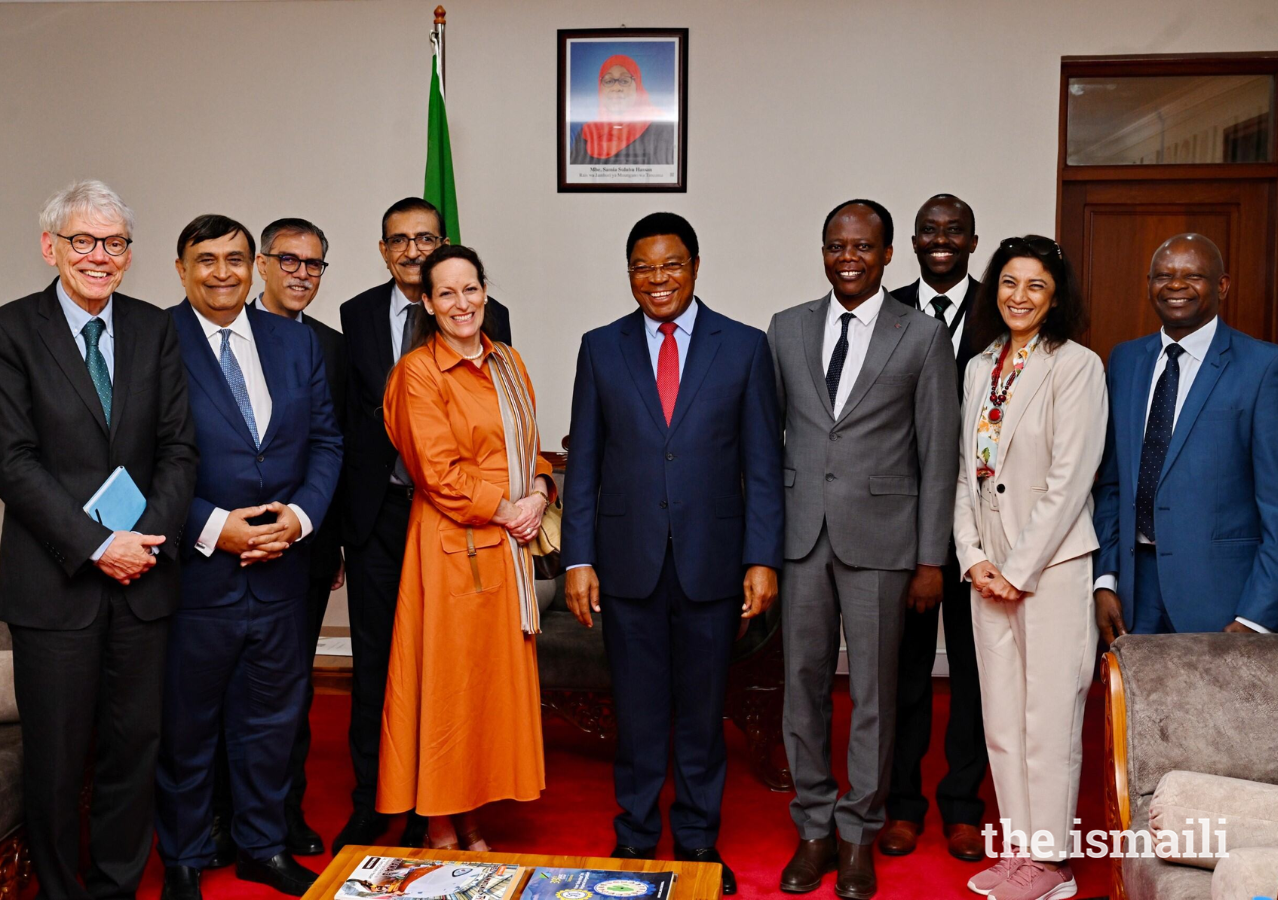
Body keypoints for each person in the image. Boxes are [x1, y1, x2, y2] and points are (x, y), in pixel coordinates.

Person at [562, 212, 782, 896]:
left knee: (699, 712)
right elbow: (587, 461)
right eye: (643, 267)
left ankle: (695, 842)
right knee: (637, 711)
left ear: (694, 266)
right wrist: (577, 559)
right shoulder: (600, 348)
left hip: (712, 563)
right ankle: (633, 839)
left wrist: (762, 558)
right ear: (629, 273)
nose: (657, 279)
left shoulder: (743, 347)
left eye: (670, 265)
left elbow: (763, 464)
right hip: (625, 563)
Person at [0, 180, 199, 900]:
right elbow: (13, 462)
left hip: (143, 579)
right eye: (83, 240)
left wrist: (145, 539)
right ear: (50, 247)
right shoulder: (11, 330)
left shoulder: (155, 328)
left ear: (129, 255)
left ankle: (115, 887)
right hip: (56, 586)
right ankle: (60, 892)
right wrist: (95, 544)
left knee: (132, 751)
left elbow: (180, 449)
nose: (99, 255)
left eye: (113, 243)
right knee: (55, 758)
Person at [768, 200, 958, 899]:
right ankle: (813, 828)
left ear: (886, 255)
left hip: (884, 541)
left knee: (874, 696)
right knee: (803, 689)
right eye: (836, 245)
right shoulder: (787, 328)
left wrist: (930, 557)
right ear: (823, 251)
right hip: (800, 535)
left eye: (863, 246)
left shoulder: (923, 336)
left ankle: (856, 837)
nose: (848, 257)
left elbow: (938, 454)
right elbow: (768, 442)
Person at [155, 215, 342, 900]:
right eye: (207, 260)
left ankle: (263, 847)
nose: (224, 273)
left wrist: (296, 519)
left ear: (255, 264)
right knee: (187, 727)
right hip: (199, 574)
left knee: (272, 723)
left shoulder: (295, 344)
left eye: (235, 258)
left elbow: (326, 442)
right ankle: (182, 856)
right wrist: (211, 527)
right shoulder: (155, 342)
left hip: (282, 572)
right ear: (181, 270)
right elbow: (142, 460)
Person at [336, 198, 512, 851]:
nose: (412, 250)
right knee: (379, 665)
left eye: (426, 238)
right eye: (399, 241)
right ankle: (372, 801)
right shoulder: (354, 316)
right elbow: (343, 426)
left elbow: (505, 430)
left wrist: (530, 490)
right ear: (383, 250)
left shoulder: (493, 328)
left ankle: (434, 803)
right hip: (381, 514)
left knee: (450, 668)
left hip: (458, 526)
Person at [377, 244, 554, 851]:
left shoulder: (508, 360)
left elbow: (531, 447)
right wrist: (513, 509)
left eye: (470, 289)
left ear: (485, 293)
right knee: (447, 690)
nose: (461, 303)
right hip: (452, 549)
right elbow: (437, 471)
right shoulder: (416, 374)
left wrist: (540, 491)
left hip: (508, 551)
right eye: (445, 293)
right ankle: (440, 822)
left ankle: (472, 811)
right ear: (427, 303)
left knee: (485, 690)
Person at [952, 236, 1105, 900]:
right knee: (1002, 718)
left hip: (1052, 569)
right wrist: (974, 557)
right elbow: (967, 474)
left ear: (1056, 296)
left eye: (1035, 285)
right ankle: (1021, 850)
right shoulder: (980, 365)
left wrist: (1017, 566)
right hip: (990, 570)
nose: (1019, 296)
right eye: (1008, 283)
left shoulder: (1077, 366)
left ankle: (1052, 863)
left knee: (1047, 716)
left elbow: (1070, 480)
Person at [202, 218, 345, 859]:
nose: (301, 274)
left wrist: (315, 526)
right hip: (210, 553)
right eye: (288, 260)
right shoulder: (199, 335)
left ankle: (278, 818)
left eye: (314, 264)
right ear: (261, 264)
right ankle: (214, 822)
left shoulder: (328, 346)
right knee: (212, 695)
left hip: (300, 548)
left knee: (288, 694)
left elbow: (334, 445)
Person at [1093, 233, 1278, 638]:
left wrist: (1256, 614)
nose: (1175, 285)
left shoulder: (1264, 367)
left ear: (1222, 285)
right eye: (1163, 275)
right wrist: (1105, 579)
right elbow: (1110, 483)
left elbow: (1276, 503)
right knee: (1136, 704)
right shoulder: (1124, 361)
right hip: (1132, 594)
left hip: (1223, 601)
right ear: (1149, 285)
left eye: (1192, 275)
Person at [882, 194, 988, 862]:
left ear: (974, 242)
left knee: (976, 676)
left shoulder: (1002, 307)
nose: (941, 240)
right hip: (898, 527)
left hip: (981, 526)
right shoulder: (885, 309)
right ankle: (901, 805)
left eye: (954, 232)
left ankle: (962, 806)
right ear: (913, 242)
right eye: (929, 231)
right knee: (904, 673)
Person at [569, 54, 676, 166]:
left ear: (638, 86)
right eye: (609, 81)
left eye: (624, 81)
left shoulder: (662, 129)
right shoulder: (588, 133)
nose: (616, 88)